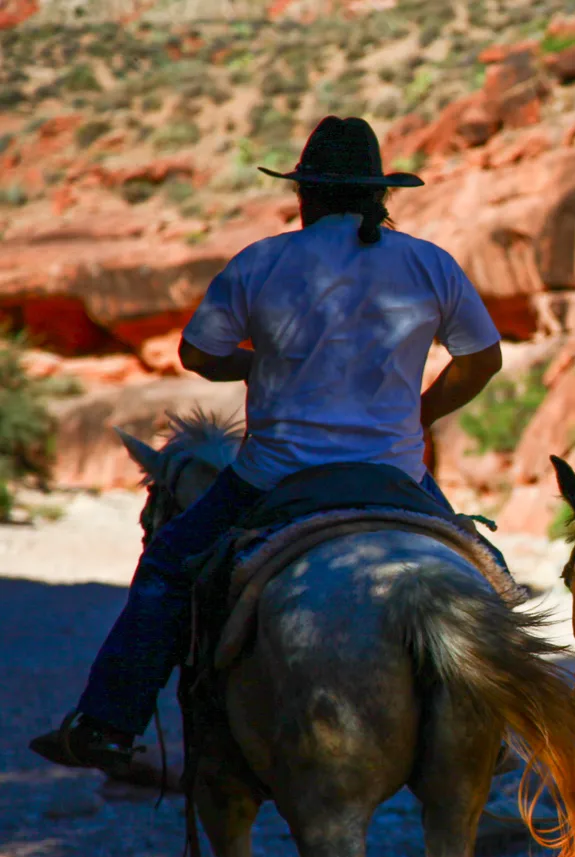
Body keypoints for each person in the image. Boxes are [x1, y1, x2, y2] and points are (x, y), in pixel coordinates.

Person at [30, 116, 505, 773]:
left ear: (303, 194)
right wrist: (419, 415)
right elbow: (482, 362)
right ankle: (504, 725)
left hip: (274, 477)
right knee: (487, 570)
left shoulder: (263, 260)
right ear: (381, 196)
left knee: (168, 564)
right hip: (391, 472)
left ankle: (107, 722)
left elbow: (197, 353)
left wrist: (252, 365)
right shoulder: (428, 263)